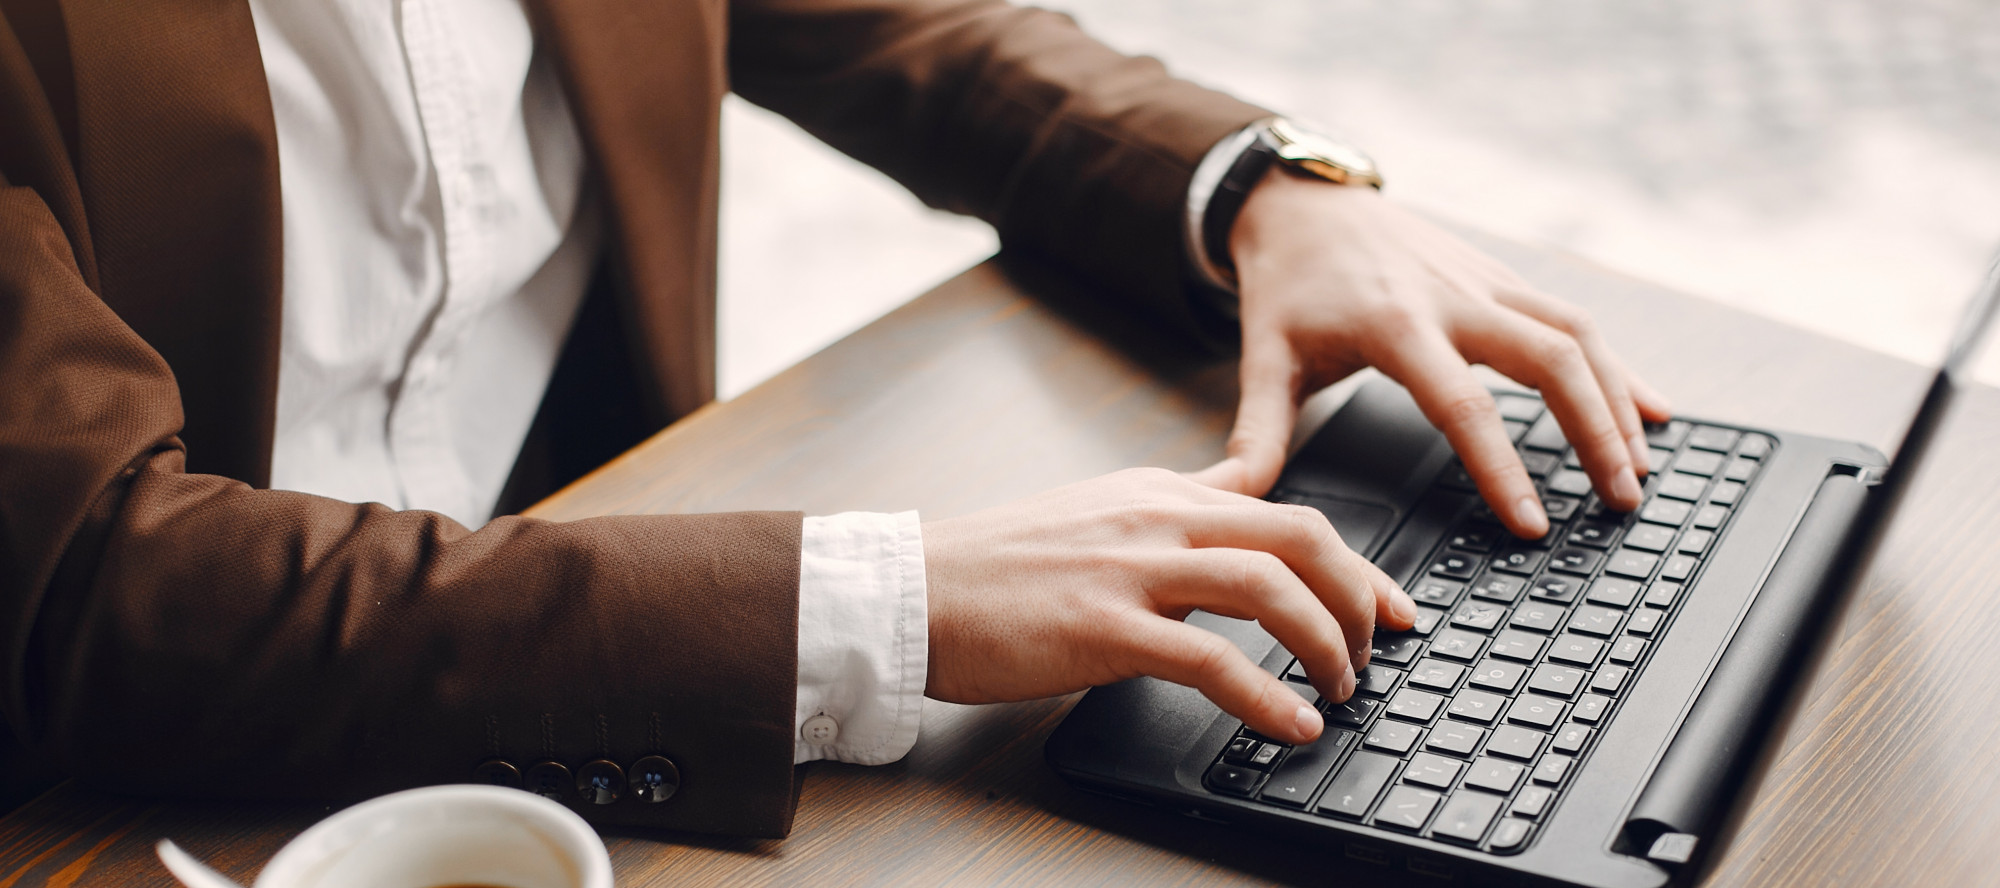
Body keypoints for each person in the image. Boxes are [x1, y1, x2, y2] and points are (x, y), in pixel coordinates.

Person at [0, 0, 1666, 834]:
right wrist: (880, 602)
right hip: (160, 826)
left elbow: (896, 26)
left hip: (606, 686)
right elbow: (82, 587)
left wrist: (1255, 189)